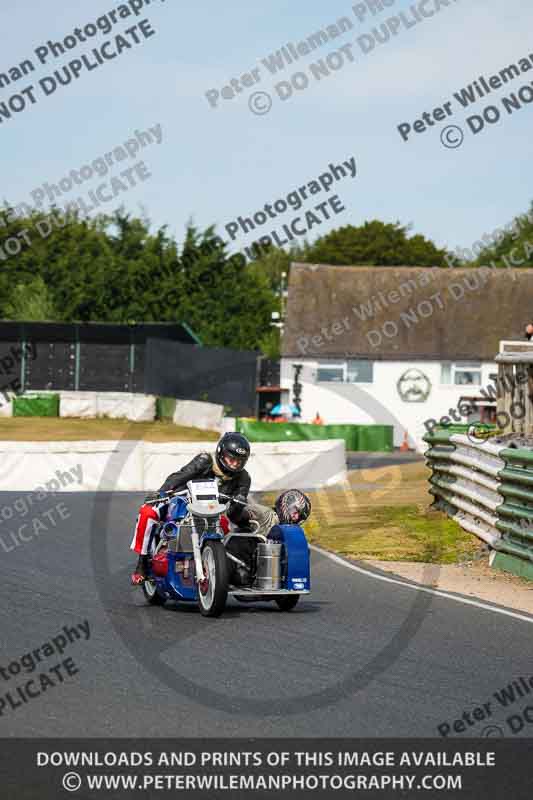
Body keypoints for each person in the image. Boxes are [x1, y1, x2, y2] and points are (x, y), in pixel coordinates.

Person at [130, 432, 269, 584]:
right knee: (147, 512)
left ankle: (217, 569)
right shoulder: (205, 461)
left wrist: (238, 504)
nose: (235, 464)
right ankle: (142, 562)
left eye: (240, 461)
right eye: (232, 459)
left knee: (225, 526)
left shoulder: (244, 478)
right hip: (181, 500)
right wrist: (162, 491)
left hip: (212, 512)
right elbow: (180, 476)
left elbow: (234, 513)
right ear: (221, 454)